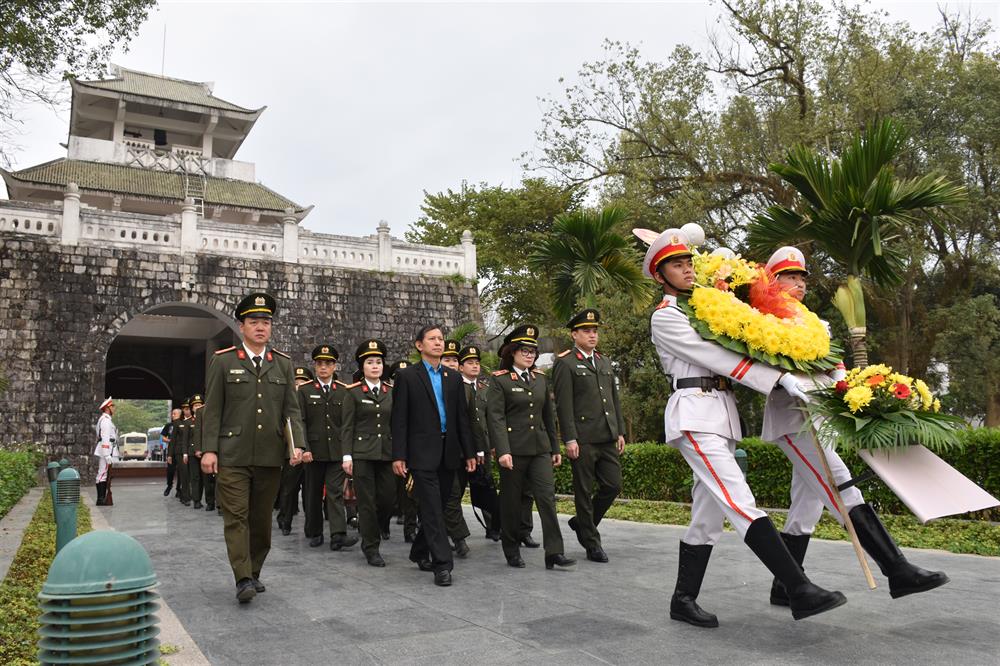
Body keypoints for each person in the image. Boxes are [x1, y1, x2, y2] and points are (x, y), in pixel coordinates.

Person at [637, 225, 845, 627]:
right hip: (694, 412)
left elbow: (744, 341)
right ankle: (797, 587)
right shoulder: (666, 317)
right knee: (739, 500)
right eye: (675, 265)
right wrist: (777, 378)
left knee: (708, 515)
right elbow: (714, 357)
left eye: (686, 262)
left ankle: (682, 600)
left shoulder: (703, 308)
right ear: (660, 276)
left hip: (721, 412)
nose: (686, 270)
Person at [758, 246, 948, 604]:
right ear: (773, 281)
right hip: (793, 417)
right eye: (789, 277)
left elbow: (835, 361)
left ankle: (783, 587)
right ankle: (897, 570)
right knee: (842, 488)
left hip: (819, 415)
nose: (798, 284)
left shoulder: (814, 322)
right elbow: (760, 363)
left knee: (806, 505)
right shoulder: (763, 319)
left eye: (801, 278)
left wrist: (845, 385)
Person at [200, 292, 306, 604]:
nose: (260, 327)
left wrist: (297, 443)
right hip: (232, 454)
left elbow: (292, 410)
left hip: (270, 455)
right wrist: (209, 450)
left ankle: (255, 570)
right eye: (253, 322)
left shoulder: (283, 365)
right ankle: (242, 578)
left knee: (261, 521)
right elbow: (213, 410)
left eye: (265, 322)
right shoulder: (223, 361)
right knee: (236, 516)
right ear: (241, 326)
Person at [391, 324, 477, 587]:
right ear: (420, 345)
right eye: (432, 339)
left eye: (441, 339)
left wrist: (469, 452)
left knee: (437, 508)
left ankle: (419, 551)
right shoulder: (408, 377)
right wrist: (399, 455)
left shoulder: (453, 378)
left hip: (449, 451)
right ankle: (442, 564)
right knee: (430, 507)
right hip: (421, 453)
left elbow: (462, 419)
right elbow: (399, 420)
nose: (438, 343)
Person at [487, 325, 575, 571]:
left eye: (533, 351)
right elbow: (496, 418)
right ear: (512, 352)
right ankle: (511, 548)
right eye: (524, 351)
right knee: (512, 502)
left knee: (547, 498)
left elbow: (548, 415)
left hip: (539, 449)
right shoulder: (500, 381)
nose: (529, 355)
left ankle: (554, 552)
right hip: (513, 451)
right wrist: (502, 450)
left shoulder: (540, 380)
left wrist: (554, 447)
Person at [553, 308, 626, 563]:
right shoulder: (565, 363)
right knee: (583, 491)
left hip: (607, 435)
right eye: (586, 331)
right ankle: (592, 543)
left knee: (613, 485)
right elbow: (564, 405)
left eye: (594, 331)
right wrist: (569, 438)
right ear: (574, 335)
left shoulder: (604, 361)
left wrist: (620, 432)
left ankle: (582, 523)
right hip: (583, 437)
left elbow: (613, 400)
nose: (592, 335)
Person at [342, 339, 396, 566]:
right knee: (366, 502)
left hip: (387, 453)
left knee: (388, 500)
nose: (375, 366)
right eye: (370, 362)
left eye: (378, 362)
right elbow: (347, 426)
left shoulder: (391, 392)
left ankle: (373, 527)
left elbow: (397, 424)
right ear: (362, 367)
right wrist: (347, 456)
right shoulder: (353, 393)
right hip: (362, 453)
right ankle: (371, 547)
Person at [299, 346, 358, 551]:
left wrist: (347, 452)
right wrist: (303, 447)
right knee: (313, 493)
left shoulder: (343, 391)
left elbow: (347, 424)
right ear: (315, 366)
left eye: (328, 364)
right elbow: (301, 422)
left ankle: (338, 535)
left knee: (334, 492)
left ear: (334, 366)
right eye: (319, 364)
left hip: (336, 450)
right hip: (313, 452)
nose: (323, 367)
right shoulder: (305, 390)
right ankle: (315, 531)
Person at [456, 345, 500, 541]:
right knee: (457, 490)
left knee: (485, 486)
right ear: (460, 366)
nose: (474, 366)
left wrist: (493, 442)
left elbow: (492, 418)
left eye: (476, 363)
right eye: (469, 363)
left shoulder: (485, 389)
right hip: (462, 447)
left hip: (484, 446)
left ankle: (493, 527)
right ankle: (456, 531)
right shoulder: (457, 388)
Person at [276, 367, 313, 534]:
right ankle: (285, 519)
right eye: (296, 383)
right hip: (290, 451)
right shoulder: (286, 401)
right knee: (289, 488)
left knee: (309, 490)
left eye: (302, 382)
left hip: (311, 451)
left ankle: (310, 523)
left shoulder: (311, 399)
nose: (298, 386)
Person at [387, 360, 418, 543]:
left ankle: (410, 525)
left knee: (411, 489)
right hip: (388, 447)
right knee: (390, 489)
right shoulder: (386, 395)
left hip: (410, 447)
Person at [94, 396, 117, 506]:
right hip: (105, 449)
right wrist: (107, 454)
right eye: (112, 406)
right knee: (102, 473)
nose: (114, 408)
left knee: (103, 473)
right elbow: (105, 437)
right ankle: (101, 498)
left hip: (105, 448)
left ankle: (101, 497)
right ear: (108, 408)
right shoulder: (106, 421)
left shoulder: (104, 420)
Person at [187, 394, 206, 510]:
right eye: (195, 406)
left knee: (205, 478)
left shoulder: (207, 419)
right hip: (192, 452)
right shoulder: (189, 421)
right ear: (192, 408)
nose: (197, 407)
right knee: (195, 477)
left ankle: (206, 499)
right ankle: (196, 500)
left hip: (205, 451)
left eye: (199, 405)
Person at [162, 408, 181, 497]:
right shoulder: (169, 425)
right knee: (170, 470)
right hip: (171, 451)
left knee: (181, 471)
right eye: (172, 414)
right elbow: (163, 438)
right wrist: (171, 440)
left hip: (181, 450)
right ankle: (169, 485)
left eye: (175, 414)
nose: (172, 415)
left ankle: (179, 489)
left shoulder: (183, 424)